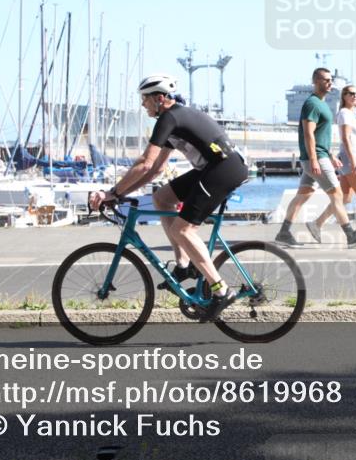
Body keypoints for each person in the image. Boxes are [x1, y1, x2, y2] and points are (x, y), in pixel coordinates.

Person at [89, 74, 249, 320]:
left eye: (145, 99)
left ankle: (221, 290)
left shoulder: (169, 118)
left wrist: (113, 193)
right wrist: (121, 194)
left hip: (224, 169)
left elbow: (144, 163)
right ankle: (184, 266)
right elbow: (155, 170)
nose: (143, 105)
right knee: (162, 199)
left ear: (159, 98)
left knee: (183, 230)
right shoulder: (175, 119)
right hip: (213, 168)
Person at [274, 68, 356, 247]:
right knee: (337, 194)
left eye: (330, 80)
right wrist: (314, 159)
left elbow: (321, 136)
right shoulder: (312, 103)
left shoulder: (322, 104)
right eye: (325, 80)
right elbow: (308, 134)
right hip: (316, 158)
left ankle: (284, 232)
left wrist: (330, 154)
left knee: (303, 195)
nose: (329, 83)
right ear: (315, 81)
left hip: (320, 156)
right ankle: (350, 235)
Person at [308, 84, 356, 244]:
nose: (354, 96)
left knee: (345, 198)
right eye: (351, 93)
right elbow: (345, 138)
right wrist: (353, 160)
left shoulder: (351, 114)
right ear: (344, 96)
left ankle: (317, 224)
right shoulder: (344, 113)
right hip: (352, 159)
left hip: (351, 158)